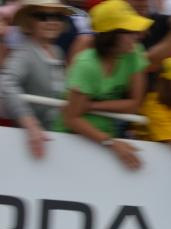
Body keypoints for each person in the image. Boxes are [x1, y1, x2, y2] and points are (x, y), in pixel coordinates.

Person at [56, 0, 150, 170]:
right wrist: (111, 143)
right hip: (73, 139)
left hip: (104, 140)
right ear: (111, 35)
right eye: (129, 32)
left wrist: (91, 105)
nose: (137, 35)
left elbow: (134, 105)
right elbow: (72, 118)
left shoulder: (134, 53)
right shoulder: (86, 64)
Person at [0, 0, 71, 159]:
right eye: (43, 16)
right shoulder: (24, 54)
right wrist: (30, 124)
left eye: (58, 16)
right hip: (29, 145)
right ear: (29, 22)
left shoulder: (58, 51)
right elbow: (7, 82)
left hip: (57, 140)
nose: (52, 22)